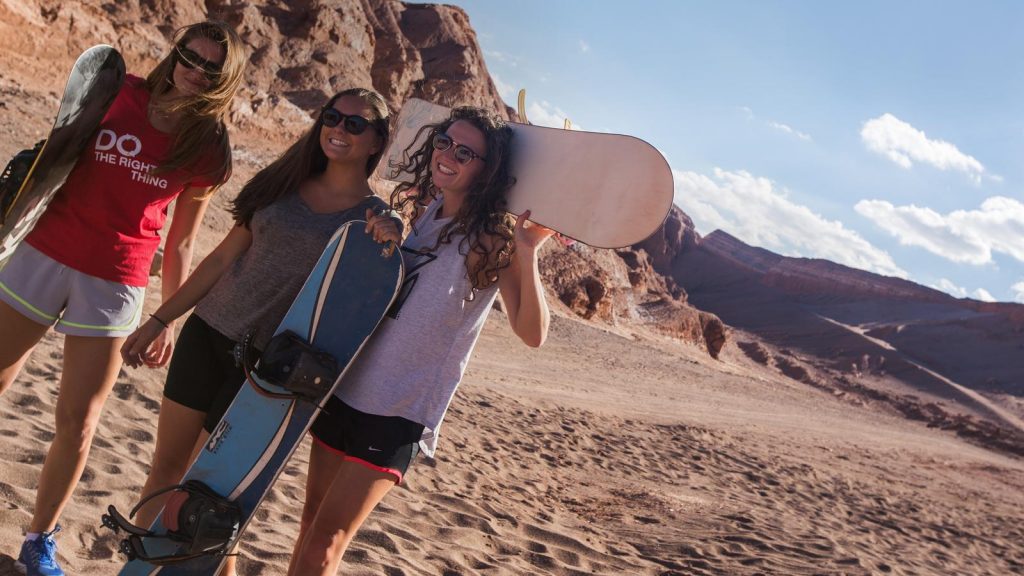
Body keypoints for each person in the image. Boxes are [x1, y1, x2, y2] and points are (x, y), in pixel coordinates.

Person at [0, 20, 245, 576]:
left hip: (115, 282)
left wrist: (167, 318)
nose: (195, 71)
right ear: (174, 53)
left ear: (224, 80)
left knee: (79, 421)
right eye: (189, 56)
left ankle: (38, 540)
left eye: (211, 68)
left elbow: (181, 241)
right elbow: (52, 161)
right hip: (44, 253)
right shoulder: (116, 92)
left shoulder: (208, 147)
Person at [119, 87, 395, 576]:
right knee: (166, 470)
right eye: (332, 117)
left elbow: (369, 300)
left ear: (377, 140)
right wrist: (163, 318)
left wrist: (391, 235)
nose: (339, 129)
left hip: (265, 368)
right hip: (207, 333)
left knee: (210, 495)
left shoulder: (369, 221)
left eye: (355, 124)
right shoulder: (282, 183)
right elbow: (222, 258)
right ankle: (138, 569)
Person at [286, 106, 556, 575]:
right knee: (311, 525)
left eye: (465, 153)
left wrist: (527, 250)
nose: (448, 155)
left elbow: (533, 333)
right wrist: (389, 239)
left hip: (399, 410)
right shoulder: (429, 212)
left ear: (487, 169)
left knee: (325, 545)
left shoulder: (493, 239)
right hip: (348, 387)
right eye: (444, 142)